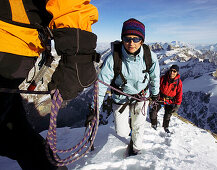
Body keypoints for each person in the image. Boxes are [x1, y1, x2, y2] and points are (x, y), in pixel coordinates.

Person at [0, 0, 99, 169]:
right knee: (14, 131)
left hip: (10, 39)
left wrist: (78, 53)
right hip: (14, 43)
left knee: (14, 130)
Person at [93, 18, 160, 156]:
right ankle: (129, 129)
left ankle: (136, 148)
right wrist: (94, 108)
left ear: (142, 40)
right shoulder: (113, 59)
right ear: (122, 39)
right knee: (122, 132)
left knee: (139, 127)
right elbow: (101, 84)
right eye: (127, 38)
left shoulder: (149, 57)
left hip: (142, 97)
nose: (131, 43)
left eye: (136, 39)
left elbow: (154, 77)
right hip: (121, 98)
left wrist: (155, 94)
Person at [150, 64, 183, 133]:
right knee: (153, 111)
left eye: (174, 71)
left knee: (168, 115)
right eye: (171, 70)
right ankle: (154, 124)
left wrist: (177, 105)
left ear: (177, 73)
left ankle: (165, 127)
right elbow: (156, 87)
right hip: (160, 98)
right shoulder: (163, 78)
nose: (172, 73)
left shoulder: (178, 82)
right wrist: (154, 95)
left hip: (170, 101)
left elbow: (179, 94)